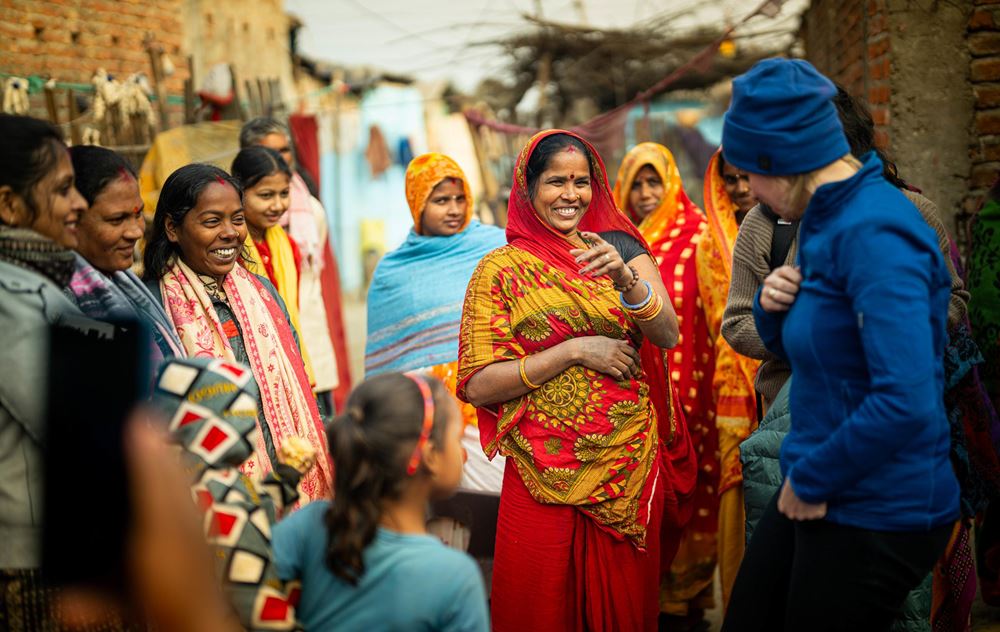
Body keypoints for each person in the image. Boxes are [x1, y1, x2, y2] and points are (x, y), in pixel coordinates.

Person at [719, 58, 959, 632]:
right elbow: (816, 352)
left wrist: (816, 477)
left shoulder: (878, 232)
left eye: (752, 171)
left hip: (879, 501)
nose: (748, 189)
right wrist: (773, 311)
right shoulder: (823, 216)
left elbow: (905, 400)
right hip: (822, 473)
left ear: (789, 158)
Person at [458, 130, 694, 631]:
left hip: (625, 468)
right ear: (528, 188)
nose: (571, 195)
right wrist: (573, 351)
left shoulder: (620, 249)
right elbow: (478, 383)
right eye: (556, 182)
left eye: (581, 182)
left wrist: (627, 280)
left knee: (623, 613)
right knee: (539, 610)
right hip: (541, 471)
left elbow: (668, 333)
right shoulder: (499, 271)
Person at [142, 163, 332, 503]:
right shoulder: (155, 307)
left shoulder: (261, 291)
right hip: (214, 502)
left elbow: (298, 376)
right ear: (172, 227)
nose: (231, 232)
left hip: (290, 474)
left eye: (238, 218)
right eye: (212, 221)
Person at [271, 373, 489, 632]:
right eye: (457, 438)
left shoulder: (310, 524)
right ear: (430, 456)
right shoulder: (454, 578)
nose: (461, 450)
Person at [613, 141, 717, 628]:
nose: (647, 193)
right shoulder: (611, 242)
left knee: (692, 493)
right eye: (637, 183)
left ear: (673, 181)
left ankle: (688, 603)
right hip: (637, 396)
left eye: (655, 181)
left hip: (694, 394)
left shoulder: (699, 235)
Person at [365, 152, 507, 490]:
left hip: (497, 396)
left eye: (460, 199)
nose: (454, 209)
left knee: (500, 498)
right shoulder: (393, 270)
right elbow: (389, 362)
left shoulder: (496, 245)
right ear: (417, 204)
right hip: (431, 414)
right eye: (441, 201)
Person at [0, 114, 90, 629]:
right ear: (10, 205)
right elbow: (74, 422)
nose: (78, 204)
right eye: (63, 190)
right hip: (33, 564)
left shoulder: (40, 281)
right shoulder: (11, 299)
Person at [151, 357, 314, 631]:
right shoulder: (221, 493)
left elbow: (255, 519)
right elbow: (252, 591)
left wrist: (285, 478)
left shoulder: (176, 484)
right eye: (245, 414)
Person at [240, 117, 349, 414]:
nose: (280, 159)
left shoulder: (309, 211)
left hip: (308, 339)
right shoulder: (233, 235)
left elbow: (312, 280)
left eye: (285, 151)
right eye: (269, 152)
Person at [696, 149, 761, 610]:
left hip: (785, 369)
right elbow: (723, 317)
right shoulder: (709, 242)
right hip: (734, 377)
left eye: (747, 177)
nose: (740, 188)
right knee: (737, 485)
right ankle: (741, 603)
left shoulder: (787, 224)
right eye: (730, 179)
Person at [65, 145, 185, 366]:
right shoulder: (60, 302)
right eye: (116, 219)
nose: (136, 232)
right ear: (71, 219)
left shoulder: (121, 281)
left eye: (138, 214)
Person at [230, 146, 318, 386]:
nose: (278, 205)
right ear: (238, 193)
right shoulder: (230, 250)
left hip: (289, 358)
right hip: (248, 365)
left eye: (284, 193)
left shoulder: (287, 246)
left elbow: (291, 313)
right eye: (266, 195)